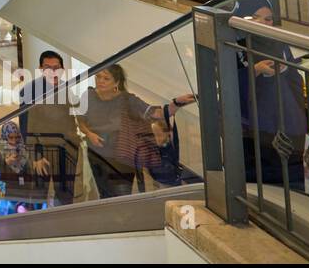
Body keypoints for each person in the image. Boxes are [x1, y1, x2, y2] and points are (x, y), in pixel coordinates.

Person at [75, 63, 194, 199]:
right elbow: (80, 120)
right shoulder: (88, 96)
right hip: (97, 155)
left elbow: (157, 113)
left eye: (106, 78)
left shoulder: (128, 99)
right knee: (104, 195)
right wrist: (89, 134)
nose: (100, 81)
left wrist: (176, 103)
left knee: (121, 195)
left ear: (117, 82)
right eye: (98, 77)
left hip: (122, 156)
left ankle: (122, 219)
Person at [232, 0, 307, 189]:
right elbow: (227, 88)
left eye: (268, 19)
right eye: (254, 17)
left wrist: (284, 70)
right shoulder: (233, 45)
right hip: (253, 139)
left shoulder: (279, 44)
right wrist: (255, 71)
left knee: (294, 197)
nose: (263, 23)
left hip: (288, 132)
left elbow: (297, 86)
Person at [19, 50, 78, 206]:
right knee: (39, 193)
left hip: (68, 151)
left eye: (56, 67)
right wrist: (35, 156)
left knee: (66, 194)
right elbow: (25, 127)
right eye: (47, 67)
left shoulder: (67, 89)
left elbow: (73, 119)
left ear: (63, 69)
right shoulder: (30, 91)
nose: (53, 71)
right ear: (40, 69)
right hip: (43, 152)